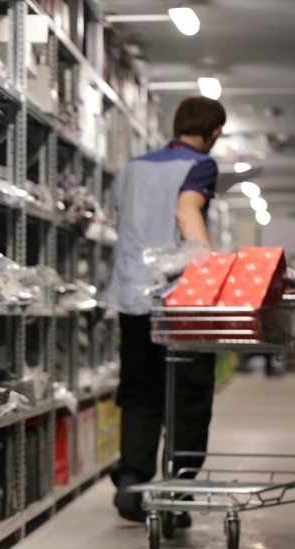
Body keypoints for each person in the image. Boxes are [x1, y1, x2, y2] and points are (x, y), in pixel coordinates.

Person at [107, 95, 226, 523]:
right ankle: (177, 487)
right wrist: (216, 273)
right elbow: (186, 212)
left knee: (140, 391)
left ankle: (132, 482)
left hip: (132, 298)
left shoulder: (131, 169)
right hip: (183, 302)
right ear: (213, 132)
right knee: (188, 393)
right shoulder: (201, 165)